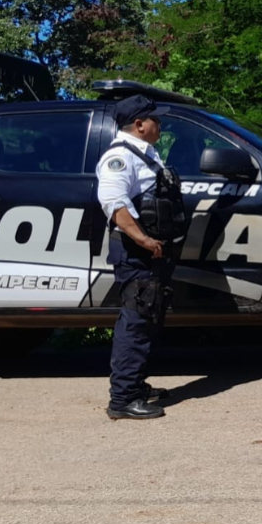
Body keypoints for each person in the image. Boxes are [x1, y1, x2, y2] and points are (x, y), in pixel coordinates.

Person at [96, 95, 187, 420]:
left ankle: (134, 386)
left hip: (151, 253)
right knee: (136, 321)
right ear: (139, 124)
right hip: (137, 252)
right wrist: (144, 239)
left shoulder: (144, 155)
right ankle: (121, 400)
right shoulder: (120, 158)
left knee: (147, 319)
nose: (159, 125)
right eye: (154, 120)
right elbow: (114, 203)